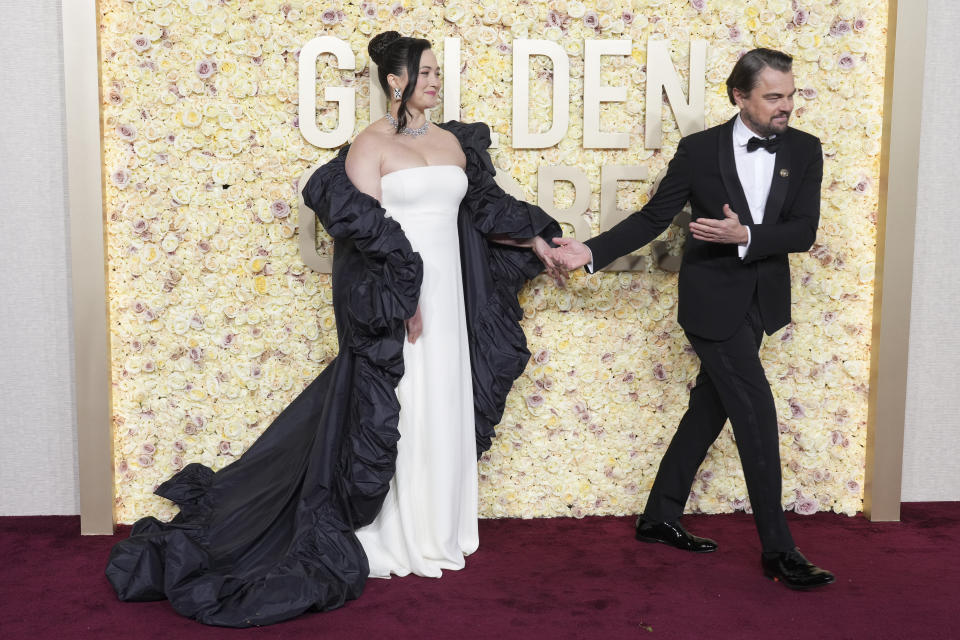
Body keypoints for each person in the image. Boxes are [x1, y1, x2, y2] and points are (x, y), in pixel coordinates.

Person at [105, 31, 562, 627]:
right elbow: (365, 236)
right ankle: (398, 535)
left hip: (451, 296)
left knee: (445, 401)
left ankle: (443, 527)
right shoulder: (367, 147)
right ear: (395, 80)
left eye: (435, 73)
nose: (433, 81)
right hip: (403, 298)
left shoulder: (454, 143)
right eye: (424, 72)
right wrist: (400, 300)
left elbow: (485, 211)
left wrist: (539, 237)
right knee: (403, 406)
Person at [552, 48, 835, 590]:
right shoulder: (699, 150)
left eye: (791, 94)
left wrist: (746, 235)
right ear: (740, 96)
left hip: (761, 302)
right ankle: (779, 550)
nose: (787, 106)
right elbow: (656, 217)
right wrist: (588, 252)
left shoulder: (804, 149)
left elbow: (803, 231)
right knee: (755, 413)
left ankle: (659, 515)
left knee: (710, 408)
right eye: (774, 96)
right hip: (711, 304)